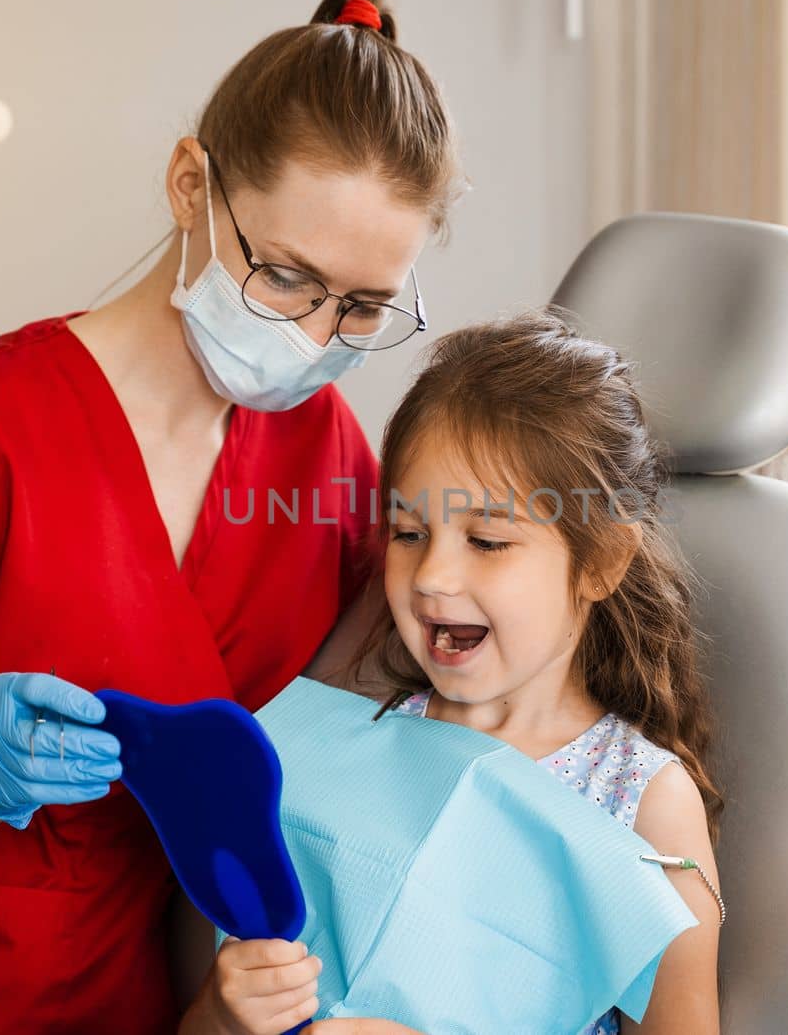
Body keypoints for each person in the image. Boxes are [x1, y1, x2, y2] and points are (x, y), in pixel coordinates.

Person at [0, 0, 459, 1035]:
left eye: (360, 307)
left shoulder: (328, 456)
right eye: (284, 277)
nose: (317, 338)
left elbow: (367, 735)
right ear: (190, 185)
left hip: (153, 1004)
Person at [220, 310, 725, 1033]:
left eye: (487, 539)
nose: (431, 576)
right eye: (408, 532)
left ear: (604, 561)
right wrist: (222, 1011)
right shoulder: (355, 744)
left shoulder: (641, 803)